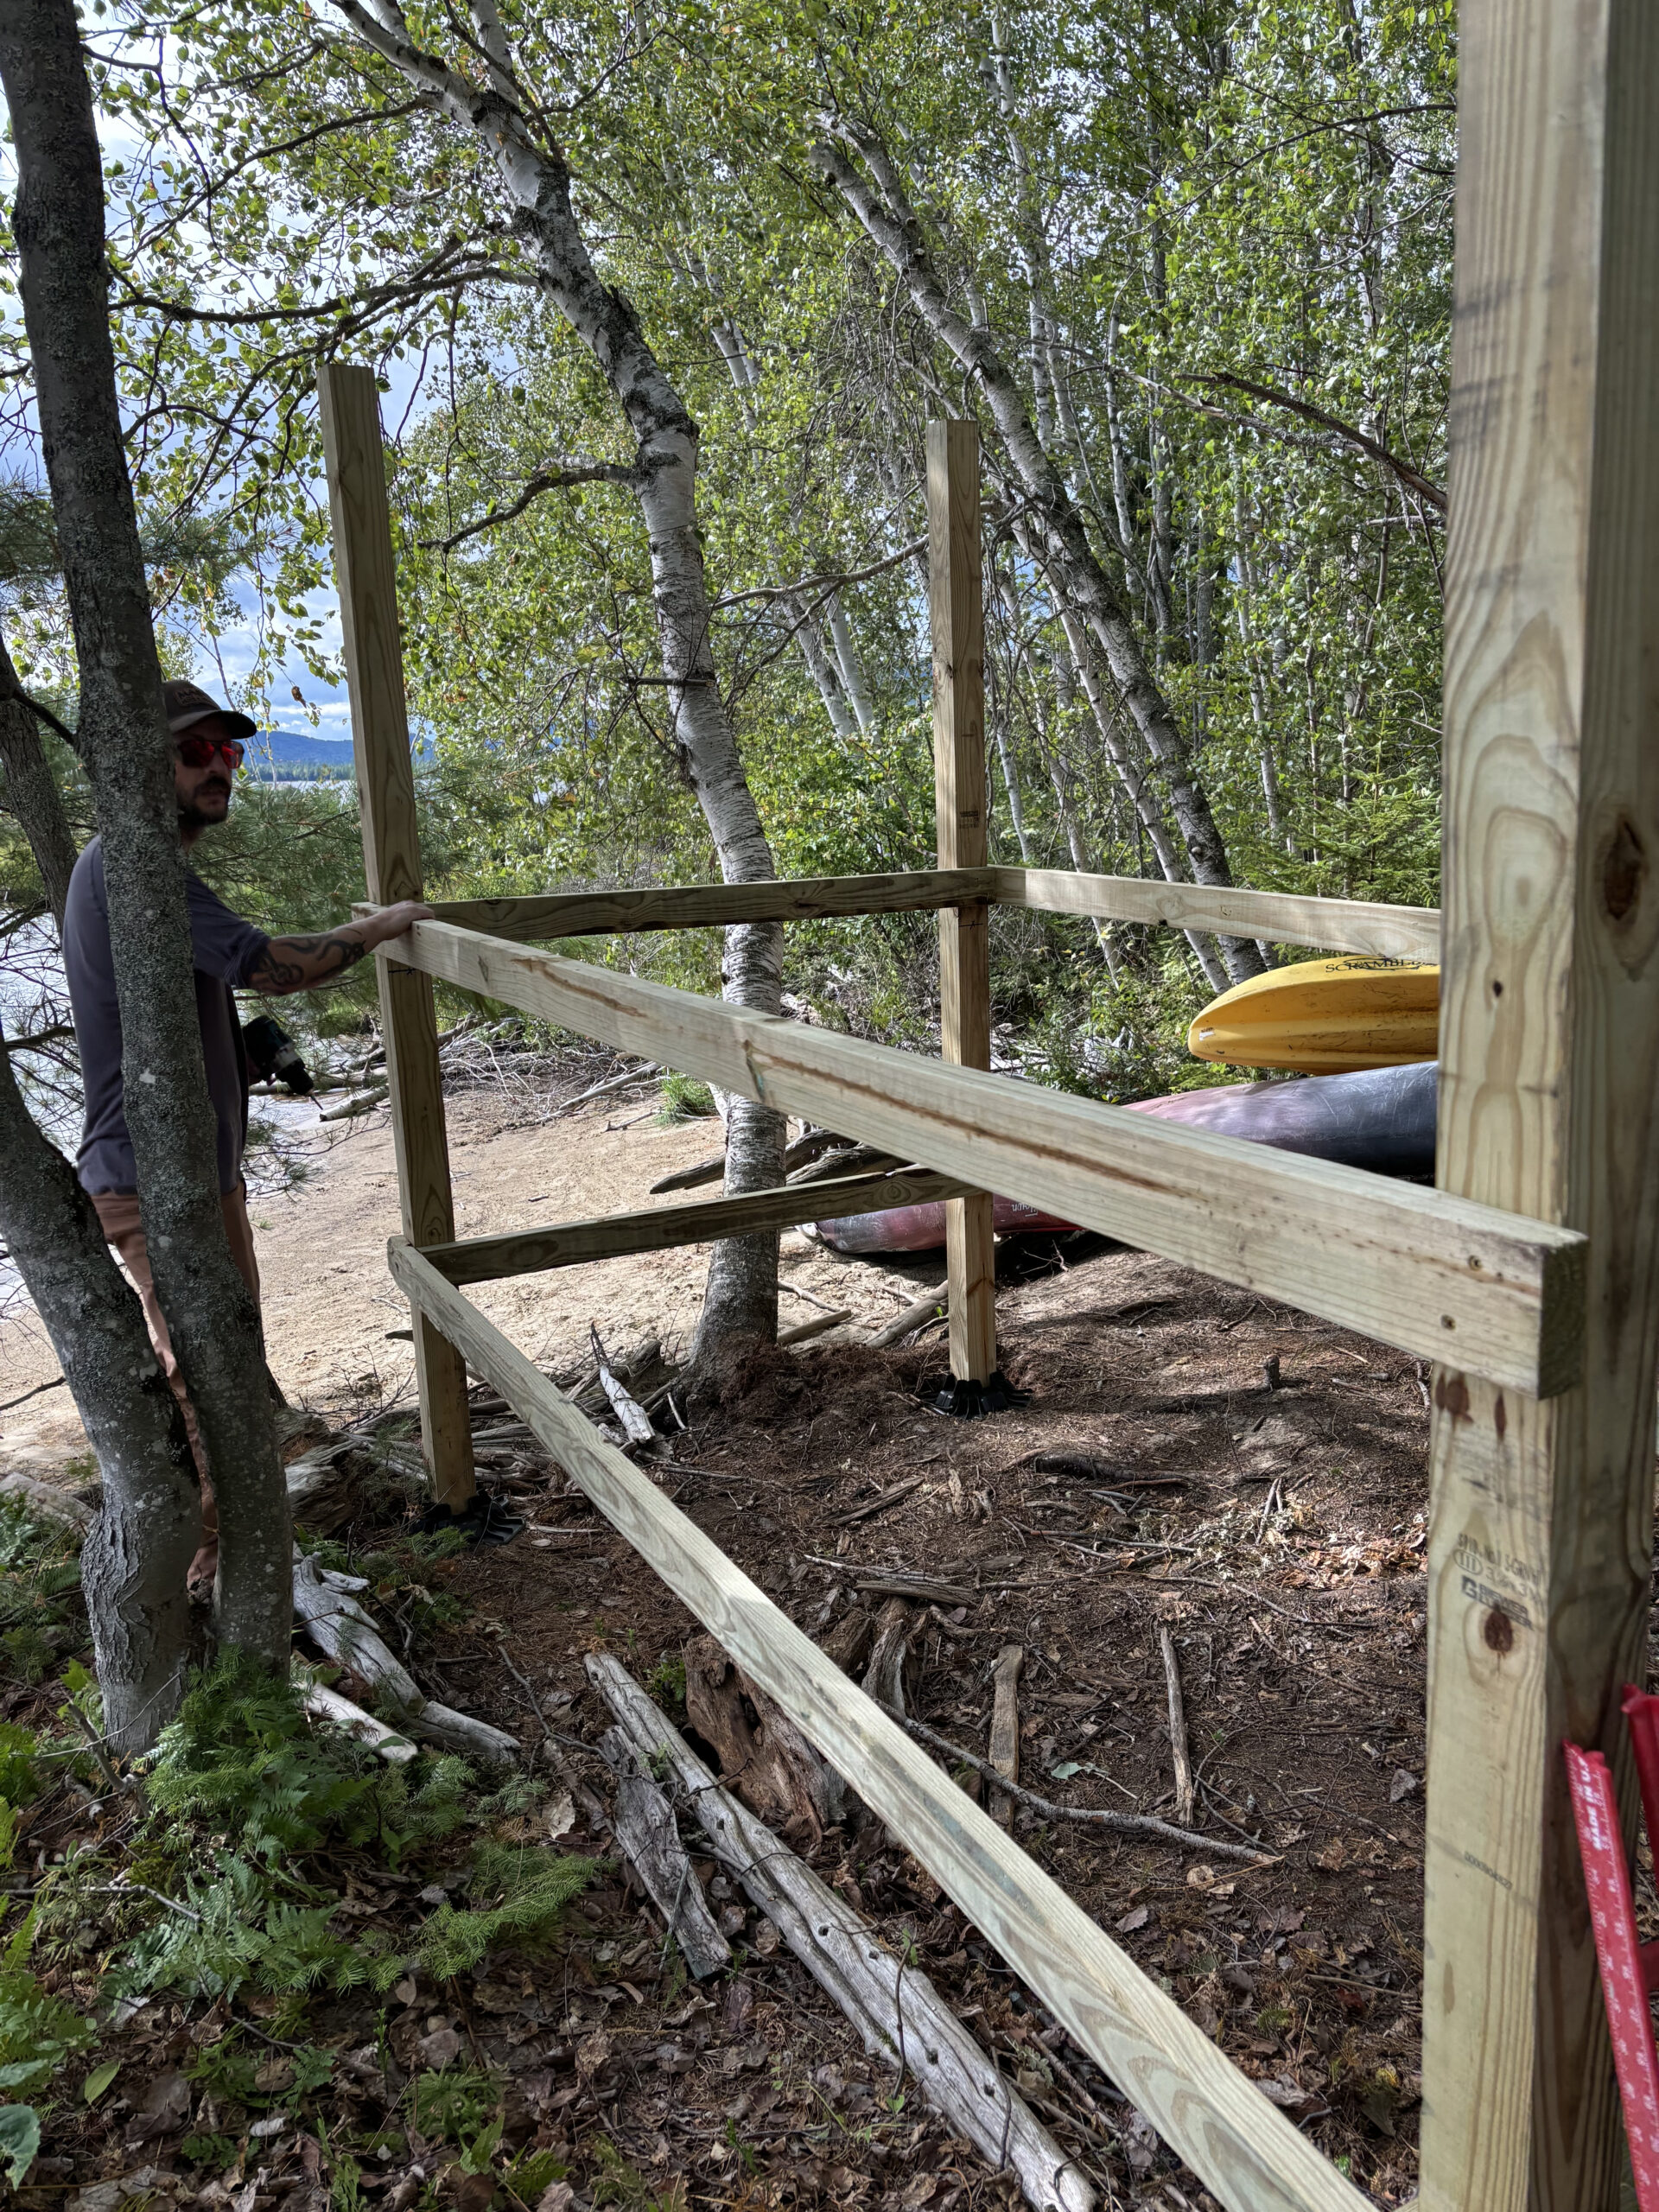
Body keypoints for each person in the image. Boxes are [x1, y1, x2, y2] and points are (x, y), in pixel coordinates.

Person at [61, 679, 432, 1598]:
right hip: (150, 1181)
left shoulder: (145, 868)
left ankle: (240, 1546)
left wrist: (248, 1046)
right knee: (203, 1380)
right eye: (195, 754)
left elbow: (185, 994)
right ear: (141, 768)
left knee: (229, 1356)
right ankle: (214, 1574)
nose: (218, 769)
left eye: (227, 754)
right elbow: (271, 964)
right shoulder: (130, 866)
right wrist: (385, 926)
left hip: (197, 1175)